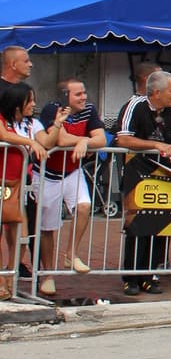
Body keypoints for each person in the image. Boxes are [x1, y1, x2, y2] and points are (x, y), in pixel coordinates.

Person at [114, 70, 171, 294]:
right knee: (136, 223)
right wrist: (155, 145)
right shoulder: (136, 105)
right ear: (156, 92)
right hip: (137, 172)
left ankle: (150, 274)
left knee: (160, 224)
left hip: (165, 174)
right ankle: (131, 277)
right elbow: (123, 138)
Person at [35, 80, 107, 293]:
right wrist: (84, 139)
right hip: (48, 174)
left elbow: (102, 139)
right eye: (78, 94)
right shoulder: (52, 109)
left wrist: (85, 142)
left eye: (84, 92)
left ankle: (71, 254)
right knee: (48, 228)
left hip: (72, 172)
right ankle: (48, 275)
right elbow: (61, 139)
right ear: (66, 96)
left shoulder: (90, 110)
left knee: (84, 206)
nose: (84, 97)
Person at [0, 83, 42, 297]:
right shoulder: (2, 120)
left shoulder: (22, 124)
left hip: (16, 187)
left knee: (22, 235)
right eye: (30, 100)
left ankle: (8, 275)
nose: (33, 104)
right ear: (17, 103)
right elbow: (4, 137)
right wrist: (29, 143)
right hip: (2, 185)